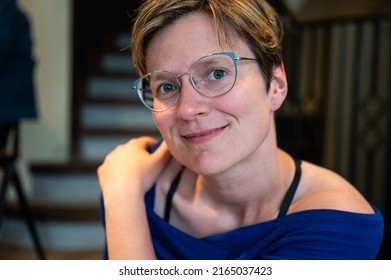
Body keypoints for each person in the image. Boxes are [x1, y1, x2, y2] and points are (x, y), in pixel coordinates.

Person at [98, 0, 384, 260]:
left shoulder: (338, 224)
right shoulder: (139, 180)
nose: (187, 109)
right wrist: (125, 193)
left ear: (276, 85)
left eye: (216, 73)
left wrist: (122, 197)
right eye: (168, 87)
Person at [0, 0, 37, 148]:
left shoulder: (5, 11)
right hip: (11, 98)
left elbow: (2, 45)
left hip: (6, 98)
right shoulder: (13, 11)